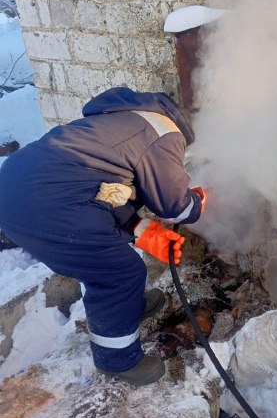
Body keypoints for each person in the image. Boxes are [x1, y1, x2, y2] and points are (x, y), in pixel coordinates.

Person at [0, 87, 206, 386]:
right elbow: (175, 208)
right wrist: (197, 202)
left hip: (15, 188)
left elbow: (101, 190)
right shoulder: (165, 133)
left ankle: (126, 305)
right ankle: (117, 360)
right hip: (44, 203)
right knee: (119, 271)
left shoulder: (120, 119)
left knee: (109, 259)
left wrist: (139, 229)